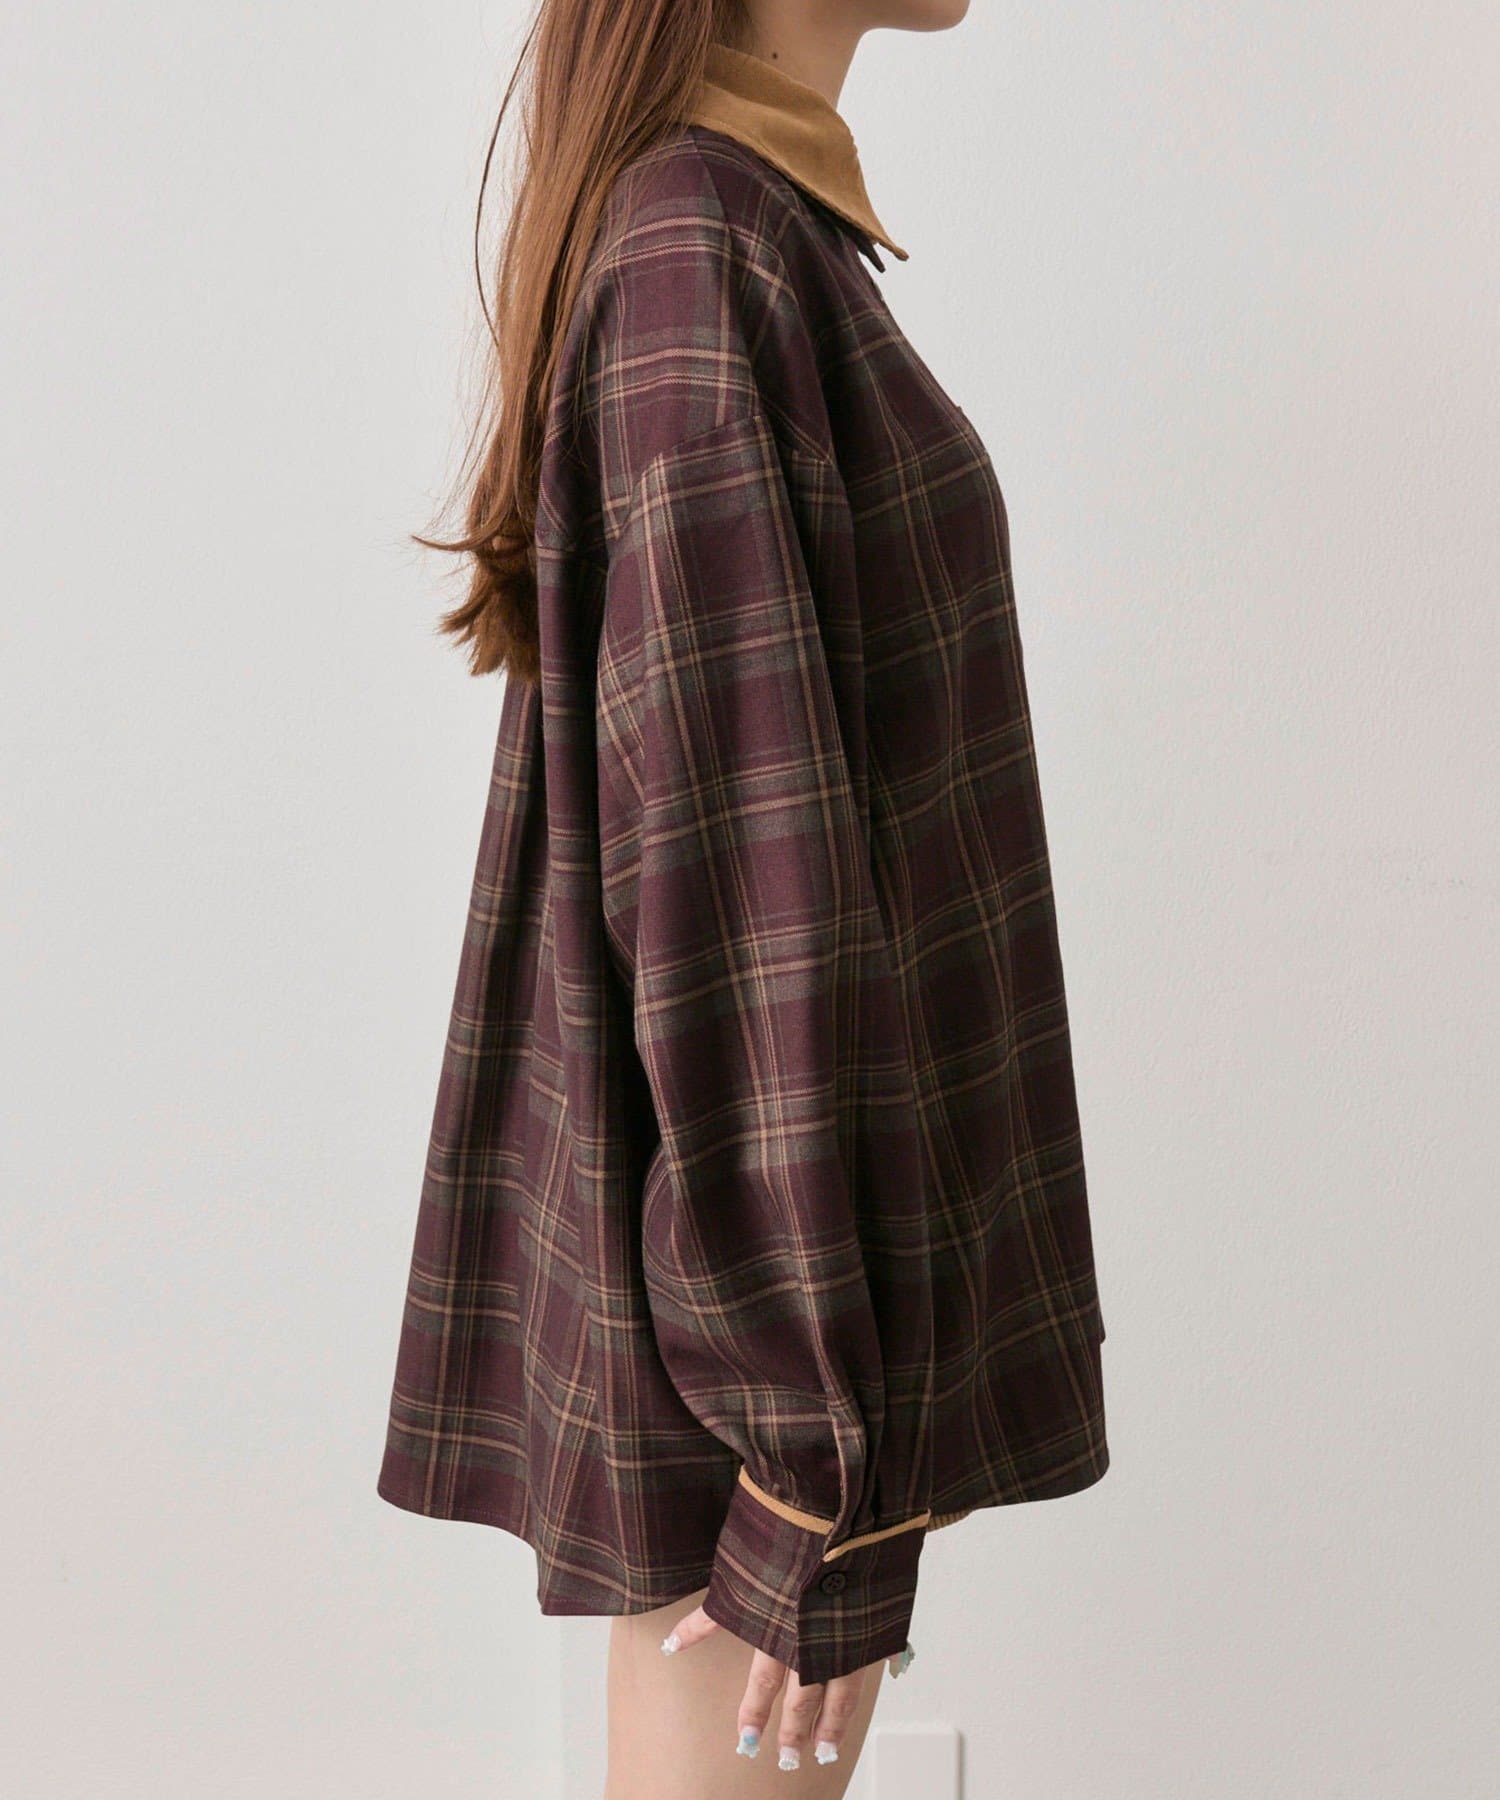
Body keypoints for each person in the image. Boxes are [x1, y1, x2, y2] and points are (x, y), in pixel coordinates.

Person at [377, 4, 1109, 1793]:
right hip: (754, 1350)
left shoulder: (745, 232)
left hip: (768, 1308)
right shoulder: (705, 248)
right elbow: (726, 889)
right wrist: (804, 1453)